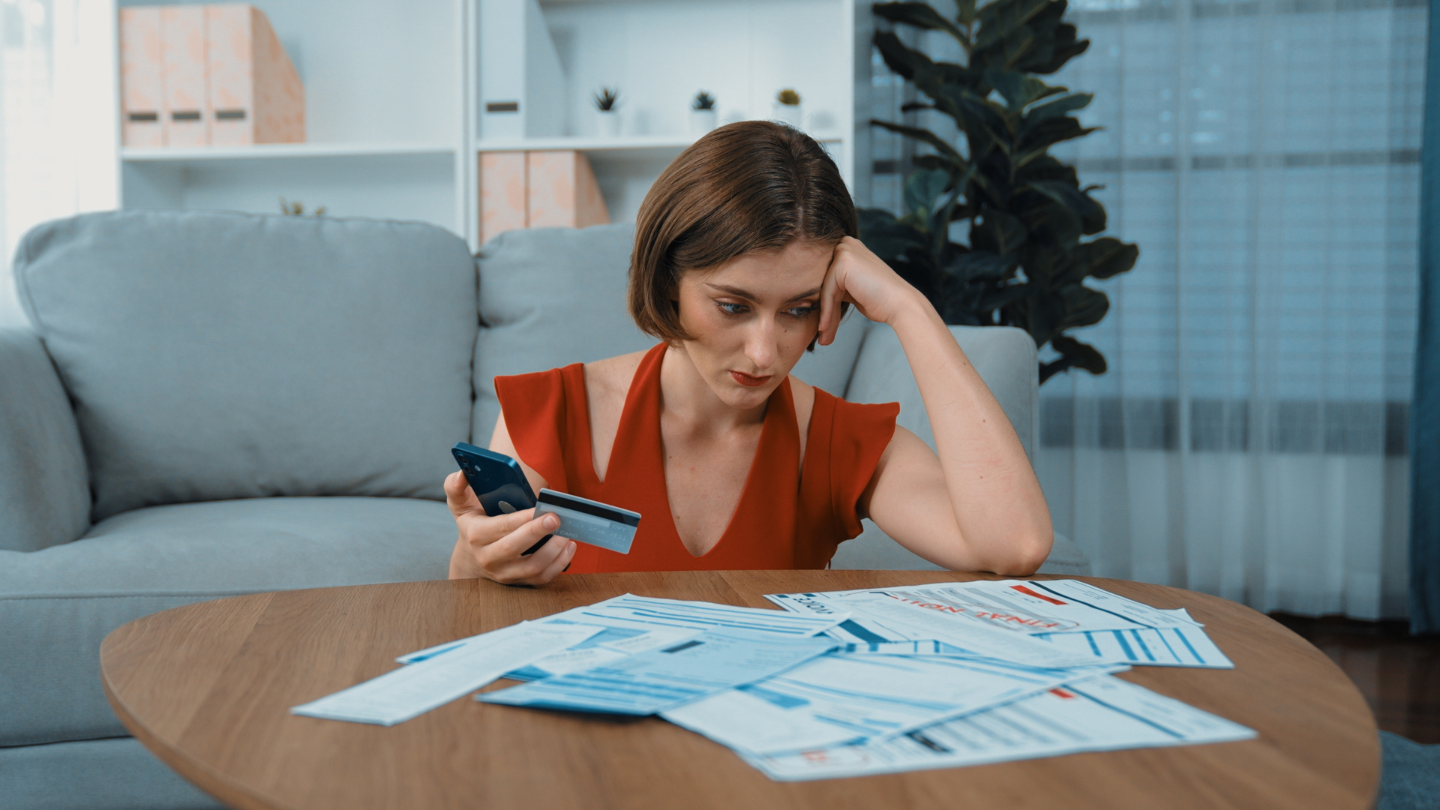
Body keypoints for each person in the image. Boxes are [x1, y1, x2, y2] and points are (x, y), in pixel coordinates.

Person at [447, 121, 1053, 586]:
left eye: (798, 309)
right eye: (733, 306)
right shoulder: (554, 410)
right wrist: (479, 561)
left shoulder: (839, 444)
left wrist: (909, 309)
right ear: (667, 284)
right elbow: (477, 595)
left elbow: (1016, 544)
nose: (765, 353)